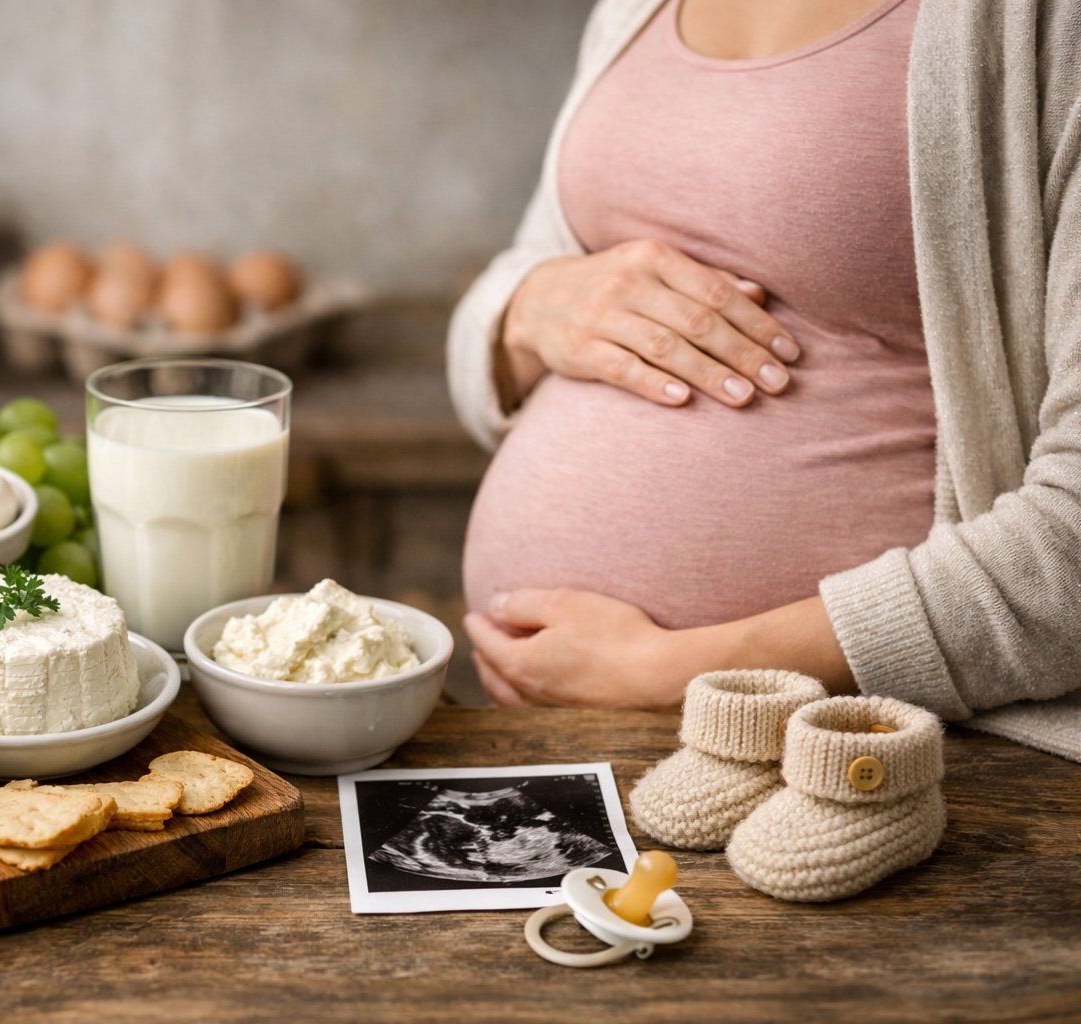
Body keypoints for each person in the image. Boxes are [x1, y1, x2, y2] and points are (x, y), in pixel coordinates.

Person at [448, 0, 1081, 761]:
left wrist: (685, 670)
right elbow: (532, 284)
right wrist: (523, 307)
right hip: (551, 734)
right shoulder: (632, 10)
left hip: (880, 766)